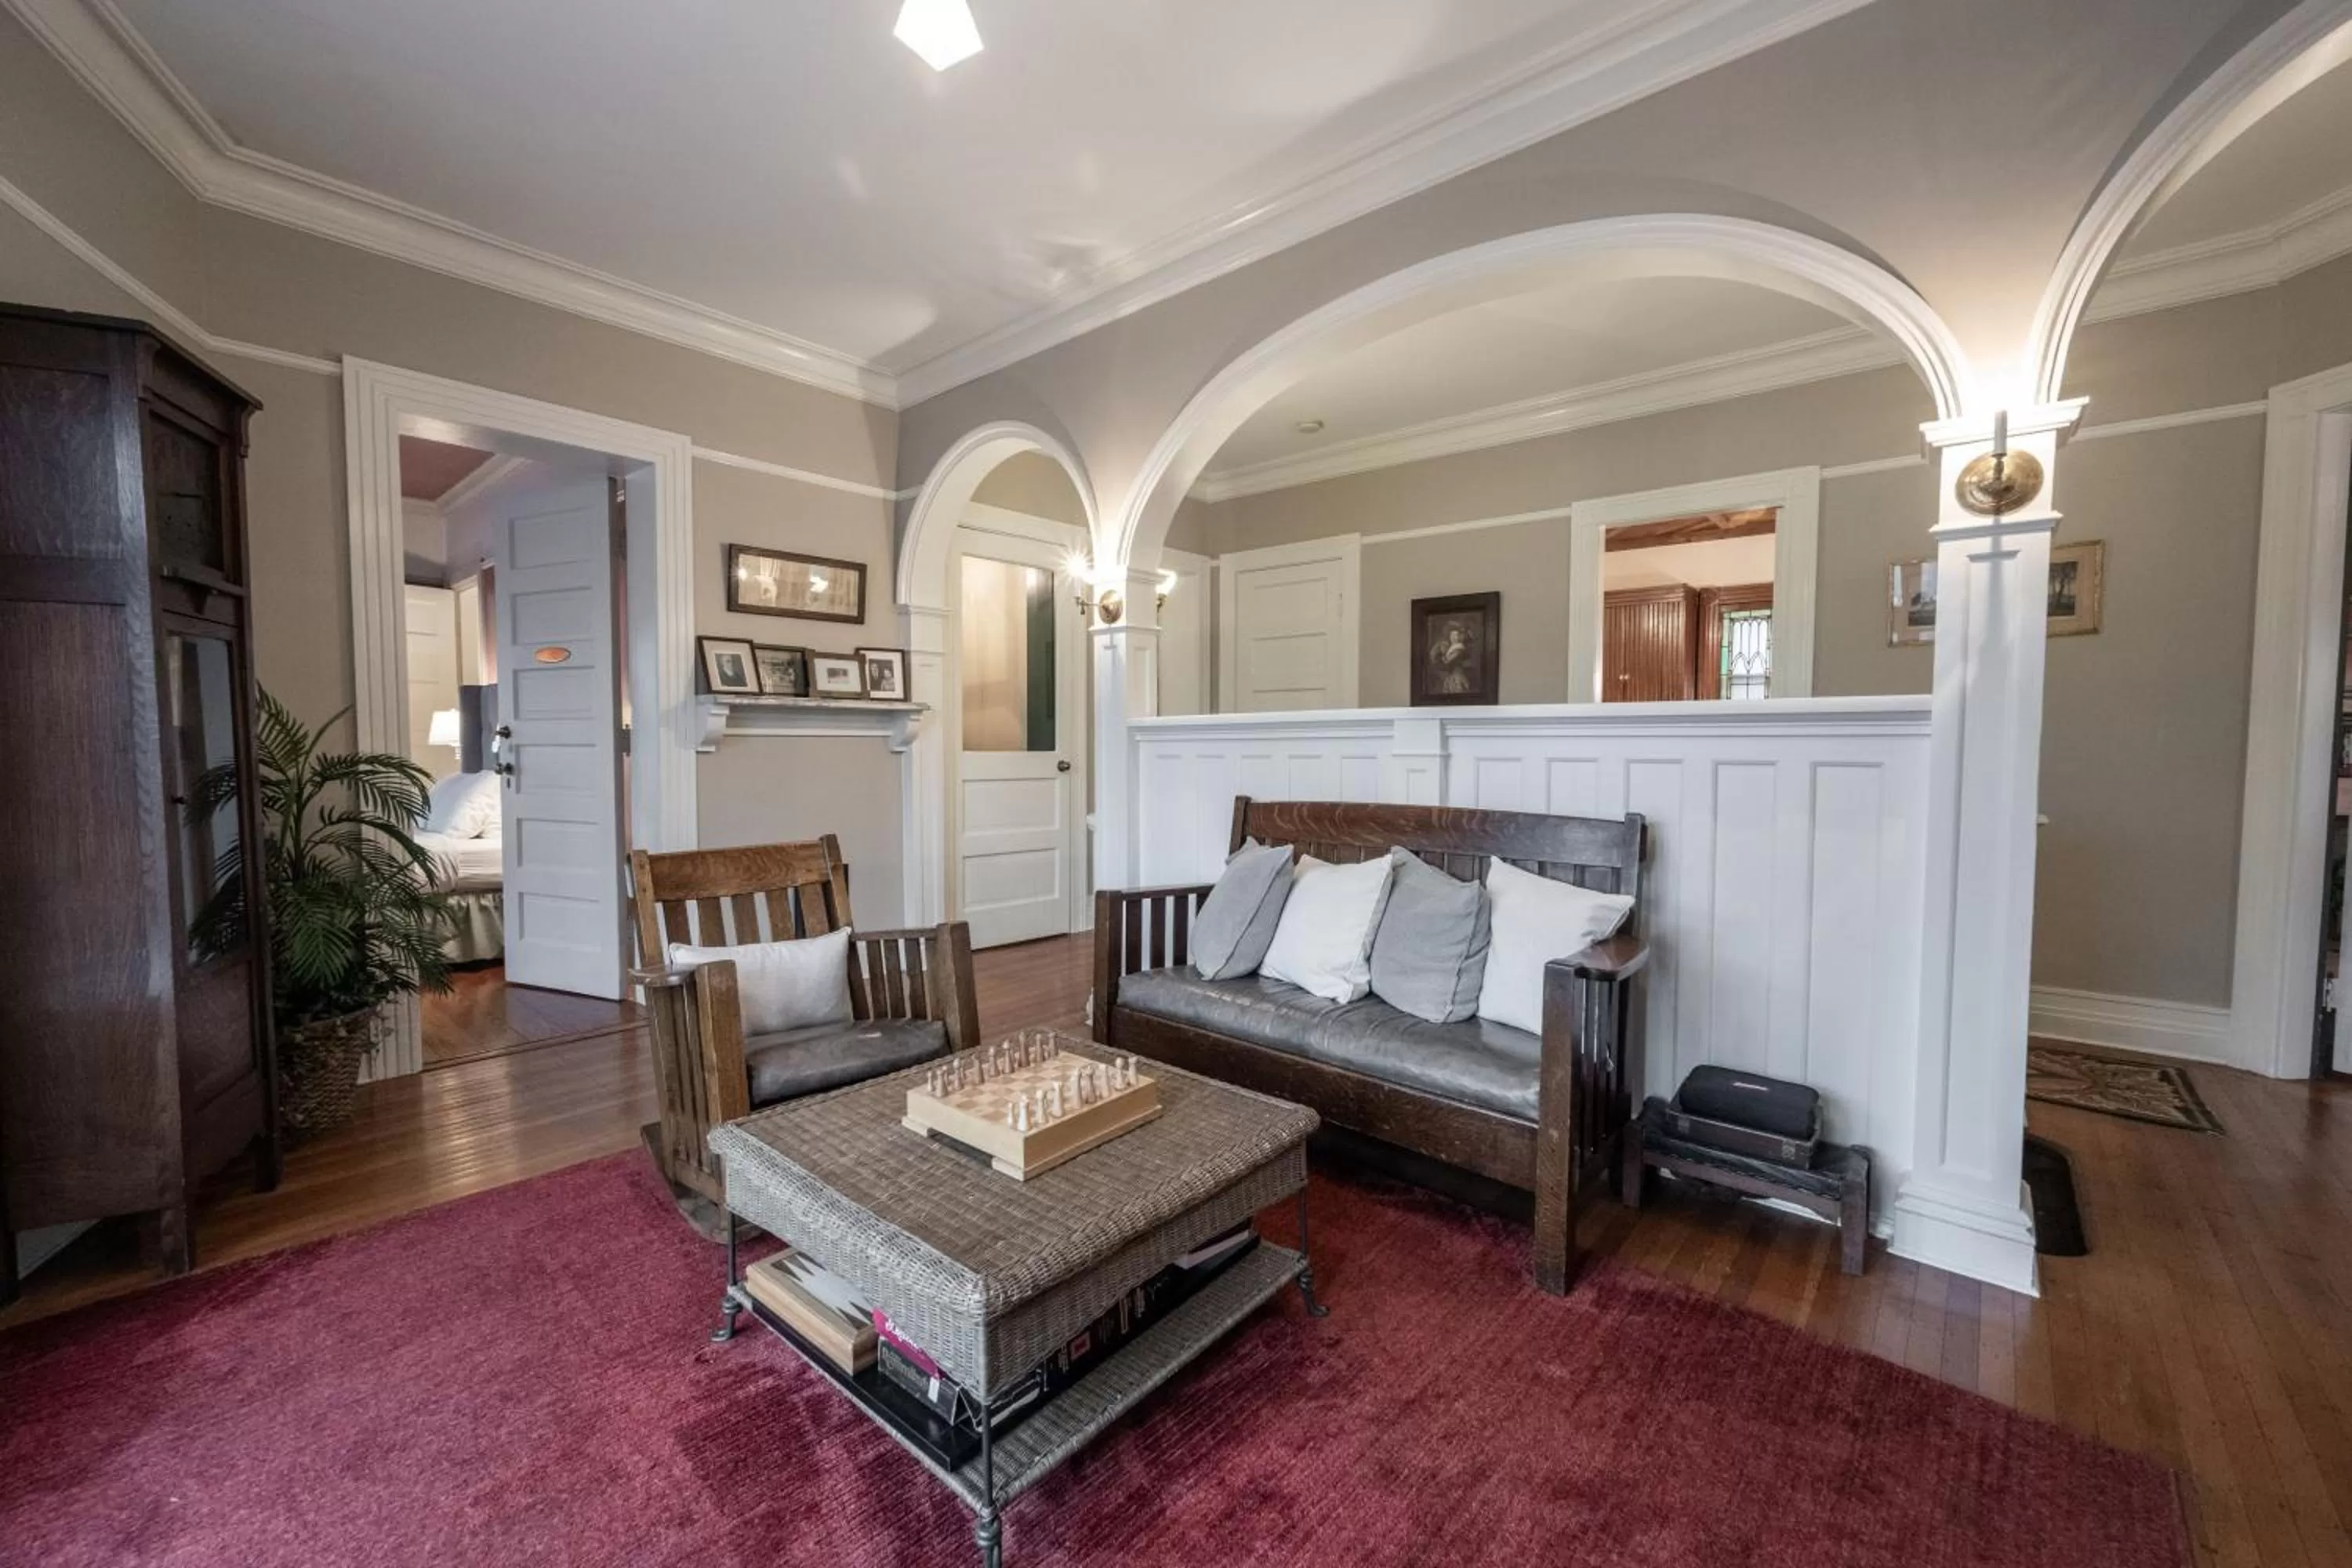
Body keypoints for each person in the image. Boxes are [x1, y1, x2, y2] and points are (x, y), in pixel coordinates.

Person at [1428, 622, 1474, 695]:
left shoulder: (1459, 649)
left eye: (1457, 635)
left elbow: (1447, 662)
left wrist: (1443, 654)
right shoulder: (1450, 647)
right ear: (1449, 636)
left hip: (1457, 677)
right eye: (1453, 635)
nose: (1455, 638)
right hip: (1450, 677)